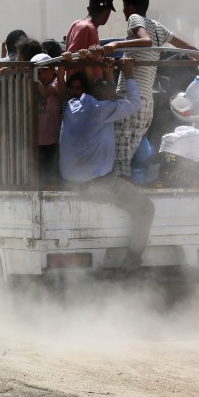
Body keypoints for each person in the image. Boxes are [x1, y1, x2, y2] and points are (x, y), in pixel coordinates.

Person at [60, 57, 155, 272]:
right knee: (145, 209)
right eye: (112, 99)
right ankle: (132, 262)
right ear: (102, 98)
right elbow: (134, 104)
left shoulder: (72, 105)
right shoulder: (100, 109)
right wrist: (129, 73)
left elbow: (105, 93)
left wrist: (107, 69)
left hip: (72, 182)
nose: (115, 103)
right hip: (95, 183)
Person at [113, 0, 199, 177]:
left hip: (129, 97)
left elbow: (145, 40)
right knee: (131, 153)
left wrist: (114, 45)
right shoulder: (158, 27)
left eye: (124, 6)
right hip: (146, 103)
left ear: (131, 7)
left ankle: (126, 195)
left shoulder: (134, 19)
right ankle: (134, 189)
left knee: (120, 156)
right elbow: (186, 47)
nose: (123, 11)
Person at [64, 0, 117, 82]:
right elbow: (71, 56)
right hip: (85, 91)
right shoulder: (86, 27)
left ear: (88, 9)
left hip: (89, 89)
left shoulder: (77, 24)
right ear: (107, 12)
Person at [31, 53, 65, 188]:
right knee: (39, 177)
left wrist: (31, 74)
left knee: (52, 177)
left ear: (52, 69)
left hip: (53, 140)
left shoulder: (56, 82)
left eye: (44, 70)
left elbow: (45, 93)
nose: (41, 75)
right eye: (38, 72)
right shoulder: (34, 84)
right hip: (36, 141)